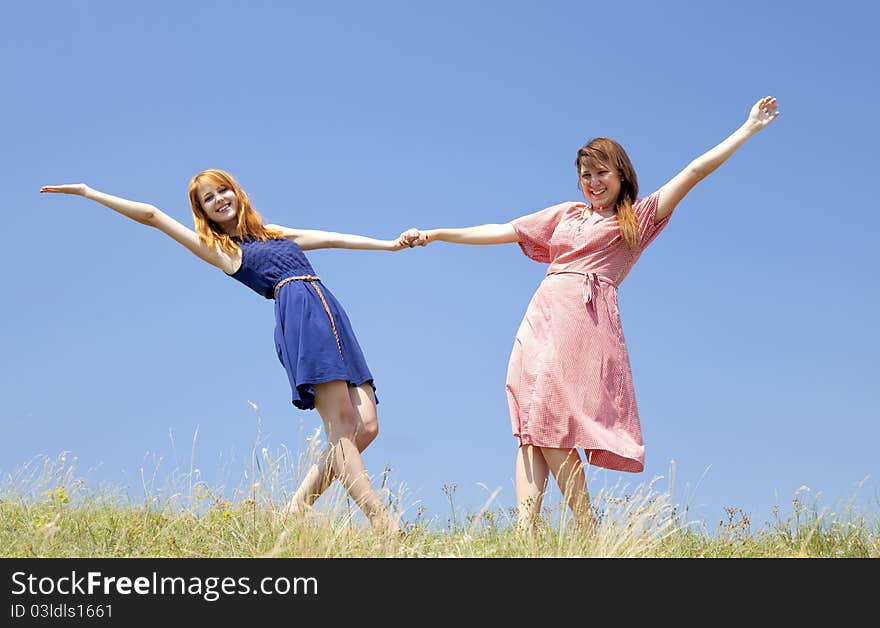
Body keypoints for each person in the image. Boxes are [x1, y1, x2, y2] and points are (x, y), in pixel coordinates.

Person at [407, 97, 780, 532]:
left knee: (550, 417)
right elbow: (504, 230)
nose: (593, 182)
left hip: (582, 323)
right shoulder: (566, 214)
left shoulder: (638, 218)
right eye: (586, 175)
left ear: (622, 174)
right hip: (541, 314)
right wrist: (436, 234)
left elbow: (694, 172)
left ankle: (586, 528)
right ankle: (527, 534)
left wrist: (748, 128)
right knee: (531, 423)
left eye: (601, 173)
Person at [40, 169, 418, 534]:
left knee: (366, 427)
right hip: (301, 319)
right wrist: (88, 192)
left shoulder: (272, 233)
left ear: (236, 192)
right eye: (208, 198)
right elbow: (152, 216)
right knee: (341, 426)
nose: (219, 199)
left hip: (330, 312)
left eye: (223, 190)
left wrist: (388, 245)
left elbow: (333, 238)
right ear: (202, 211)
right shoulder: (223, 251)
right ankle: (382, 522)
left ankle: (293, 510)